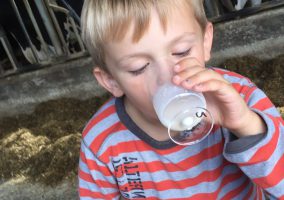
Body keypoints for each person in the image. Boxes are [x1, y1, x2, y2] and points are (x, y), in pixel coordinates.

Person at [78, 0, 284, 199]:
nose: (168, 77)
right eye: (138, 67)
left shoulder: (237, 96)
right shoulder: (101, 142)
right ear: (111, 80)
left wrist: (245, 125)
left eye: (181, 51)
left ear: (205, 41)